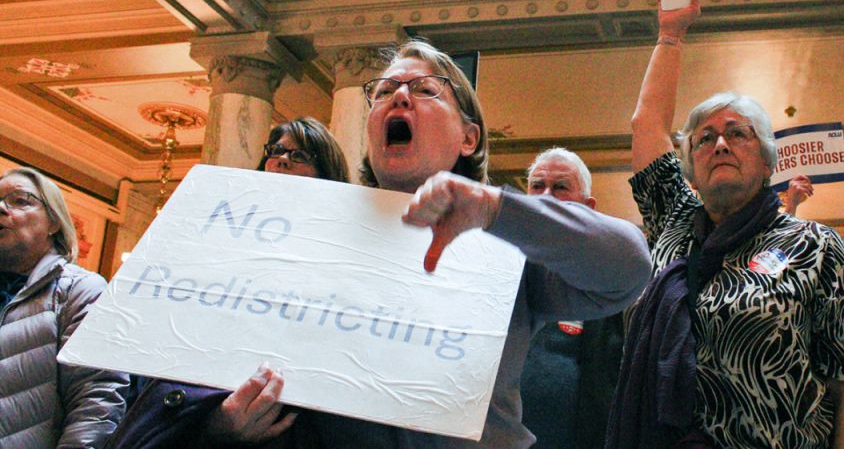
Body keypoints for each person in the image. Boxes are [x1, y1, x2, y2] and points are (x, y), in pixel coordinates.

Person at [114, 41, 652, 448]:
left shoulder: (505, 245)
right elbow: (203, 355)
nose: (399, 94)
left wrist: (495, 209)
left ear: (469, 138)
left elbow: (627, 268)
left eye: (425, 90)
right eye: (385, 90)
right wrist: (222, 423)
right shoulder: (304, 231)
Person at [609, 0, 844, 448]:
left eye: (739, 133)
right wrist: (671, 33)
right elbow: (646, 122)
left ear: (767, 158)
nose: (721, 144)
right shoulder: (675, 220)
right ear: (690, 165)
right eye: (705, 138)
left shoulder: (813, 245)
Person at [109, 118, 350, 446]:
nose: (282, 160)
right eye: (276, 151)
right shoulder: (217, 241)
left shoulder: (339, 258)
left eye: (300, 156)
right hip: (186, 410)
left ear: (327, 173)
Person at [0, 167, 129, 446]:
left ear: (54, 222)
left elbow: (96, 399)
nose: (1, 208)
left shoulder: (78, 290)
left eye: (20, 200)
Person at [519, 148, 628, 449]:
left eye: (561, 187)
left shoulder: (606, 283)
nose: (546, 196)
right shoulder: (497, 266)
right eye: (537, 186)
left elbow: (611, 386)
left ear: (588, 207)